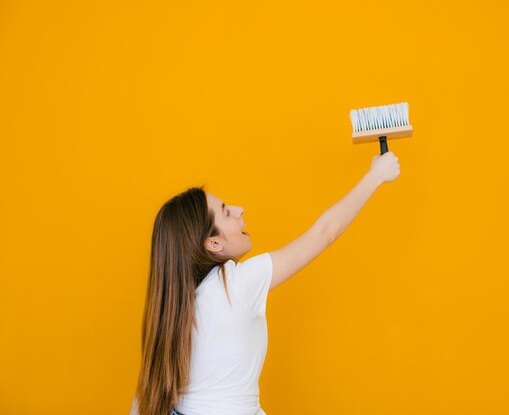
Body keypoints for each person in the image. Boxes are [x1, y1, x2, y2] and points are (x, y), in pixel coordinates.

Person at [129, 151, 400, 415]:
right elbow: (324, 233)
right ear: (214, 243)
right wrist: (375, 176)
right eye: (226, 212)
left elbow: (145, 394)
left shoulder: (174, 307)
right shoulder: (235, 283)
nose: (239, 210)